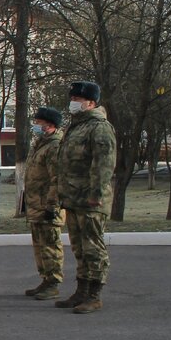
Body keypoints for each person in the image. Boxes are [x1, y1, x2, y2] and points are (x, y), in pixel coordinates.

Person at [57, 81, 117, 314]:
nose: (73, 102)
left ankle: (94, 294)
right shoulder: (77, 126)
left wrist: (97, 194)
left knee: (93, 247)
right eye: (72, 98)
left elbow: (103, 164)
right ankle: (81, 291)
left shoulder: (99, 127)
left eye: (77, 99)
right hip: (74, 198)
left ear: (91, 102)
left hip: (91, 200)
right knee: (80, 248)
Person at [23, 107, 66, 300]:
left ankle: (54, 282)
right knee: (40, 246)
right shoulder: (40, 144)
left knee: (50, 245)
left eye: (38, 122)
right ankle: (46, 279)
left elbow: (57, 178)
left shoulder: (55, 146)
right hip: (36, 205)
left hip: (47, 206)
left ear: (49, 125)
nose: (35, 125)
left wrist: (52, 206)